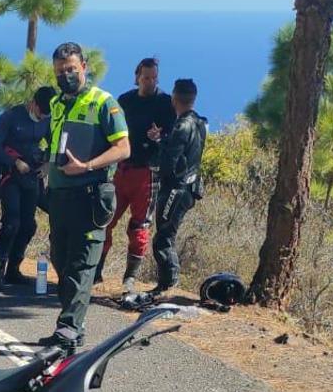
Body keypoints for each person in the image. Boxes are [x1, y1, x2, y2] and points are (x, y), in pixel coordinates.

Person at [38, 42, 131, 352]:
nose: (65, 76)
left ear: (84, 68)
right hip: (61, 197)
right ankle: (74, 328)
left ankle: (67, 331)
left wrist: (87, 166)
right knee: (60, 260)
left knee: (81, 265)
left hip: (91, 196)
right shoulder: (56, 104)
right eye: (60, 72)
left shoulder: (104, 103)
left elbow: (123, 148)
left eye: (71, 70)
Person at [97, 58, 174, 294]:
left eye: (154, 77)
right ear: (137, 77)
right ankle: (96, 271)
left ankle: (129, 278)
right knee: (105, 220)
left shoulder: (165, 103)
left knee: (139, 227)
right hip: (121, 170)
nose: (150, 81)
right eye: (146, 77)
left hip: (147, 173)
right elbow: (112, 133)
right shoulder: (125, 100)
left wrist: (159, 137)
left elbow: (173, 137)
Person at [0, 86, 58, 291]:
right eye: (41, 111)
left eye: (46, 114)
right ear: (33, 103)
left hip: (32, 177)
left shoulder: (47, 118)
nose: (43, 116)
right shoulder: (11, 117)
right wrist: (14, 161)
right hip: (10, 175)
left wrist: (46, 165)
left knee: (28, 225)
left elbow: (55, 143)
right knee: (11, 223)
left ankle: (13, 270)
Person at [143, 79, 207, 302]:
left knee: (163, 238)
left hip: (176, 189)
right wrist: (163, 139)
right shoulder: (200, 123)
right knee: (166, 235)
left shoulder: (182, 126)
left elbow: (170, 163)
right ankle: (168, 284)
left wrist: (159, 149)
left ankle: (167, 286)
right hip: (190, 188)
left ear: (174, 98)